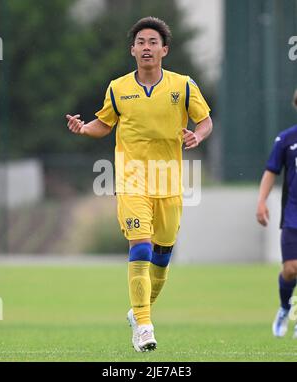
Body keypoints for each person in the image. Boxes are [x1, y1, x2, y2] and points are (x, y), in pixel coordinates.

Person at [66, 16, 213, 352]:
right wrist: (84, 128)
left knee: (161, 258)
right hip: (132, 180)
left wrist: (198, 135)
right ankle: (144, 326)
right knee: (141, 247)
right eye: (141, 42)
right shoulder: (118, 88)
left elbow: (205, 121)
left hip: (170, 182)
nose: (147, 48)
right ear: (132, 49)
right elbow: (103, 124)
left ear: (164, 49)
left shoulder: (183, 85)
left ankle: (138, 312)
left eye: (153, 42)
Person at [256, 89, 297, 339]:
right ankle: (284, 307)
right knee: (291, 269)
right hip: (293, 214)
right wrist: (261, 201)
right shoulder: (286, 139)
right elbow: (271, 171)